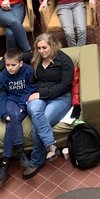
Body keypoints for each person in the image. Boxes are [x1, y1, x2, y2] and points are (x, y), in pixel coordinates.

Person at [21, 33, 75, 179]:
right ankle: (51, 146)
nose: (41, 51)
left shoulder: (64, 61)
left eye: (44, 47)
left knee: (37, 123)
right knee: (34, 109)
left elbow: (65, 86)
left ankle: (36, 161)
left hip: (60, 98)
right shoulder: (35, 57)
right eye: (38, 48)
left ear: (52, 46)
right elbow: (16, 57)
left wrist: (41, 94)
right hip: (39, 95)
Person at [0, 45, 35, 183]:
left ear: (21, 63)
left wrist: (23, 105)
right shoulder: (4, 76)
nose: (10, 68)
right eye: (7, 65)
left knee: (13, 121)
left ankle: (5, 163)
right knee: (13, 117)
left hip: (24, 101)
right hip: (11, 102)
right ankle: (21, 153)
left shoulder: (28, 71)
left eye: (13, 65)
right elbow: (1, 95)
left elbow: (31, 88)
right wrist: (3, 113)